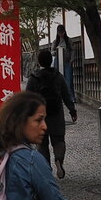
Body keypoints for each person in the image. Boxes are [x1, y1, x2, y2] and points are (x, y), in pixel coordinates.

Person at [23, 49, 78, 179]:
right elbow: (66, 94)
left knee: (42, 143)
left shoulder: (34, 78)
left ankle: (46, 169)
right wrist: (72, 110)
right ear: (51, 60)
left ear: (39, 61)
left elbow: (27, 98)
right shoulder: (58, 76)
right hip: (56, 113)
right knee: (58, 140)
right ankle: (59, 160)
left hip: (39, 116)